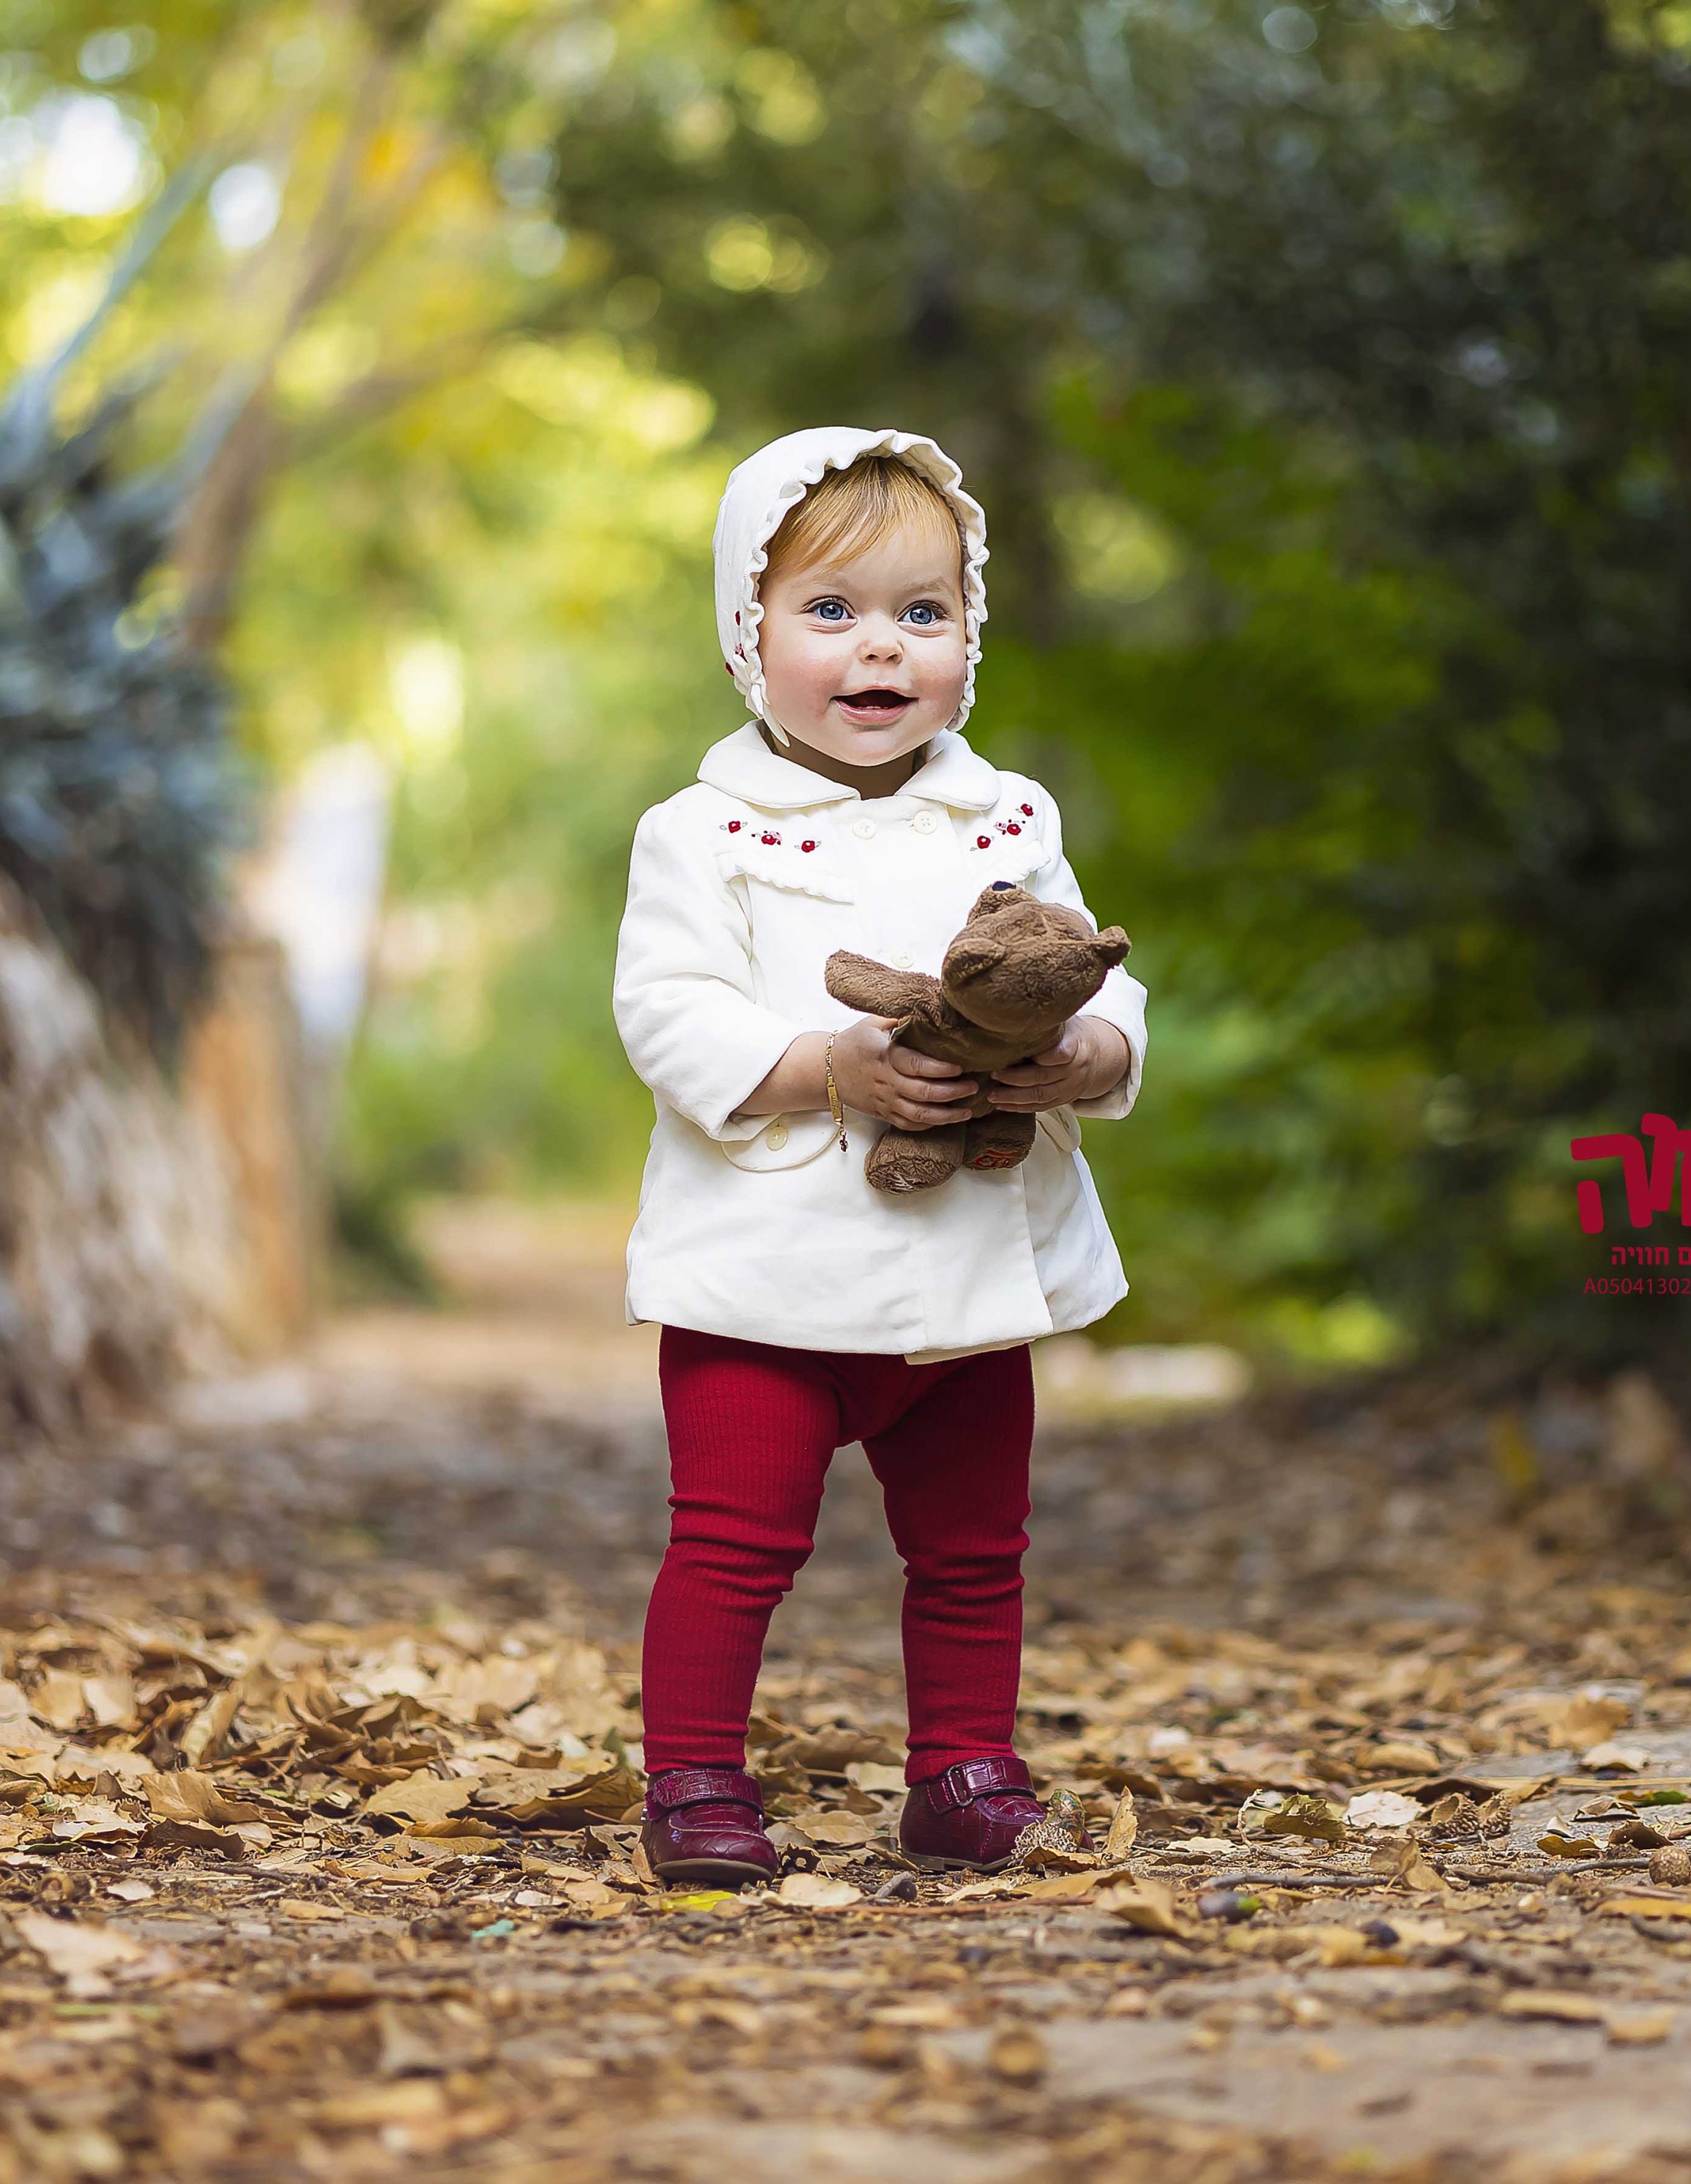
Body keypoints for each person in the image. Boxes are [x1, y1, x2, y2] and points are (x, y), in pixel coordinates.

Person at [611, 427, 1148, 1885]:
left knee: (974, 1545)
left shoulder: (1010, 816)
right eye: (829, 613)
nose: (880, 653)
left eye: (925, 615)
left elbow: (1087, 971)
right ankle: (697, 1785)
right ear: (748, 630)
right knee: (734, 1545)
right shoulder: (703, 831)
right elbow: (668, 1011)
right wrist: (824, 1065)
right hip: (767, 1274)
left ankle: (963, 1771)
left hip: (969, 1263)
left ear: (971, 638)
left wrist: (1085, 1055)